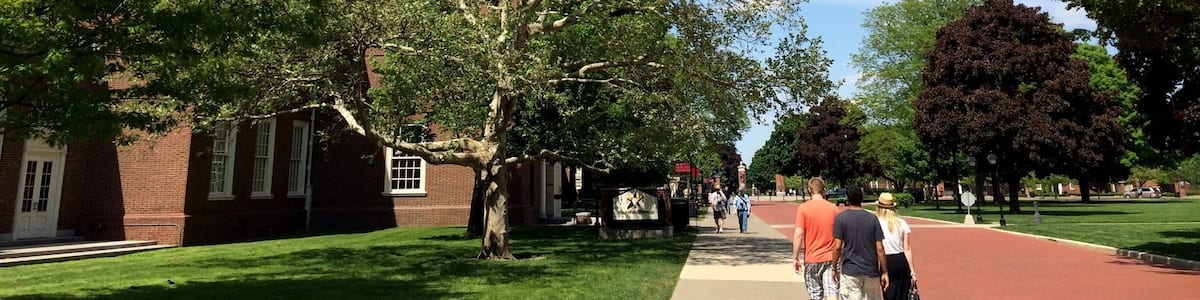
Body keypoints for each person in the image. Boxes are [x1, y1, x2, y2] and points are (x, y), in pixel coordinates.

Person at [832, 187, 889, 300]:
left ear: (847, 199)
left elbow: (837, 247)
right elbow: (880, 248)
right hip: (870, 270)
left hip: (850, 270)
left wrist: (834, 267)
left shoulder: (841, 219)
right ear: (862, 198)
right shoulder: (872, 219)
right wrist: (885, 271)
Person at [793, 177, 840, 300]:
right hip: (831, 258)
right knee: (832, 292)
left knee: (815, 294)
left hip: (812, 258)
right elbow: (840, 235)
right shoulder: (834, 209)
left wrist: (795, 258)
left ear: (809, 190)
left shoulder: (803, 208)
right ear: (824, 190)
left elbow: (798, 234)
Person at [875, 193, 915, 300]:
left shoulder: (876, 223)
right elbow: (907, 248)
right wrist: (912, 271)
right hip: (901, 259)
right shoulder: (902, 223)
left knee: (889, 294)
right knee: (903, 294)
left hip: (886, 260)